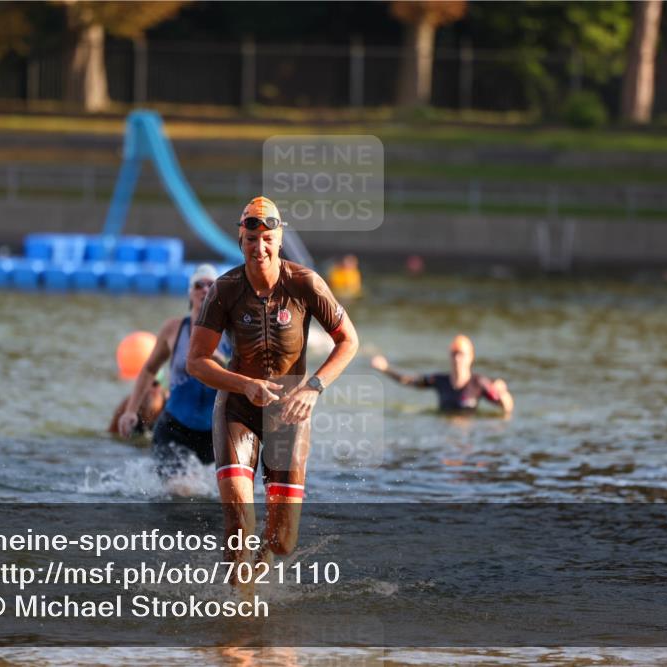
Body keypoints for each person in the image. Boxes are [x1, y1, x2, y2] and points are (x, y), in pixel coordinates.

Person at [187, 196, 359, 572]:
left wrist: (314, 387)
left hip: (289, 416)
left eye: (268, 240)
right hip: (238, 410)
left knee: (282, 541)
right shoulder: (224, 290)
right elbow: (196, 361)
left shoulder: (305, 283)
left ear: (280, 241)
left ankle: (257, 573)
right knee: (239, 524)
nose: (260, 248)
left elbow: (348, 341)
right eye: (251, 240)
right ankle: (241, 602)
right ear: (241, 242)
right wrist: (244, 384)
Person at [116, 264, 232, 478]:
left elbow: (247, 377)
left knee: (211, 493)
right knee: (179, 490)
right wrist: (131, 410)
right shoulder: (173, 329)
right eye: (198, 285)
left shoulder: (232, 333)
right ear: (190, 293)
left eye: (210, 285)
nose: (204, 289)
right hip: (174, 429)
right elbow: (149, 369)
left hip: (216, 433)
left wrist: (222, 363)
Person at [371, 334, 513, 414]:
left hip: (468, 434)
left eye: (461, 354)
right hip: (445, 431)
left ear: (471, 356)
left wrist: (502, 392)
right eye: (453, 354)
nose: (457, 359)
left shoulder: (479, 383)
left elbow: (506, 408)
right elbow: (409, 381)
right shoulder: (440, 381)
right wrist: (385, 369)